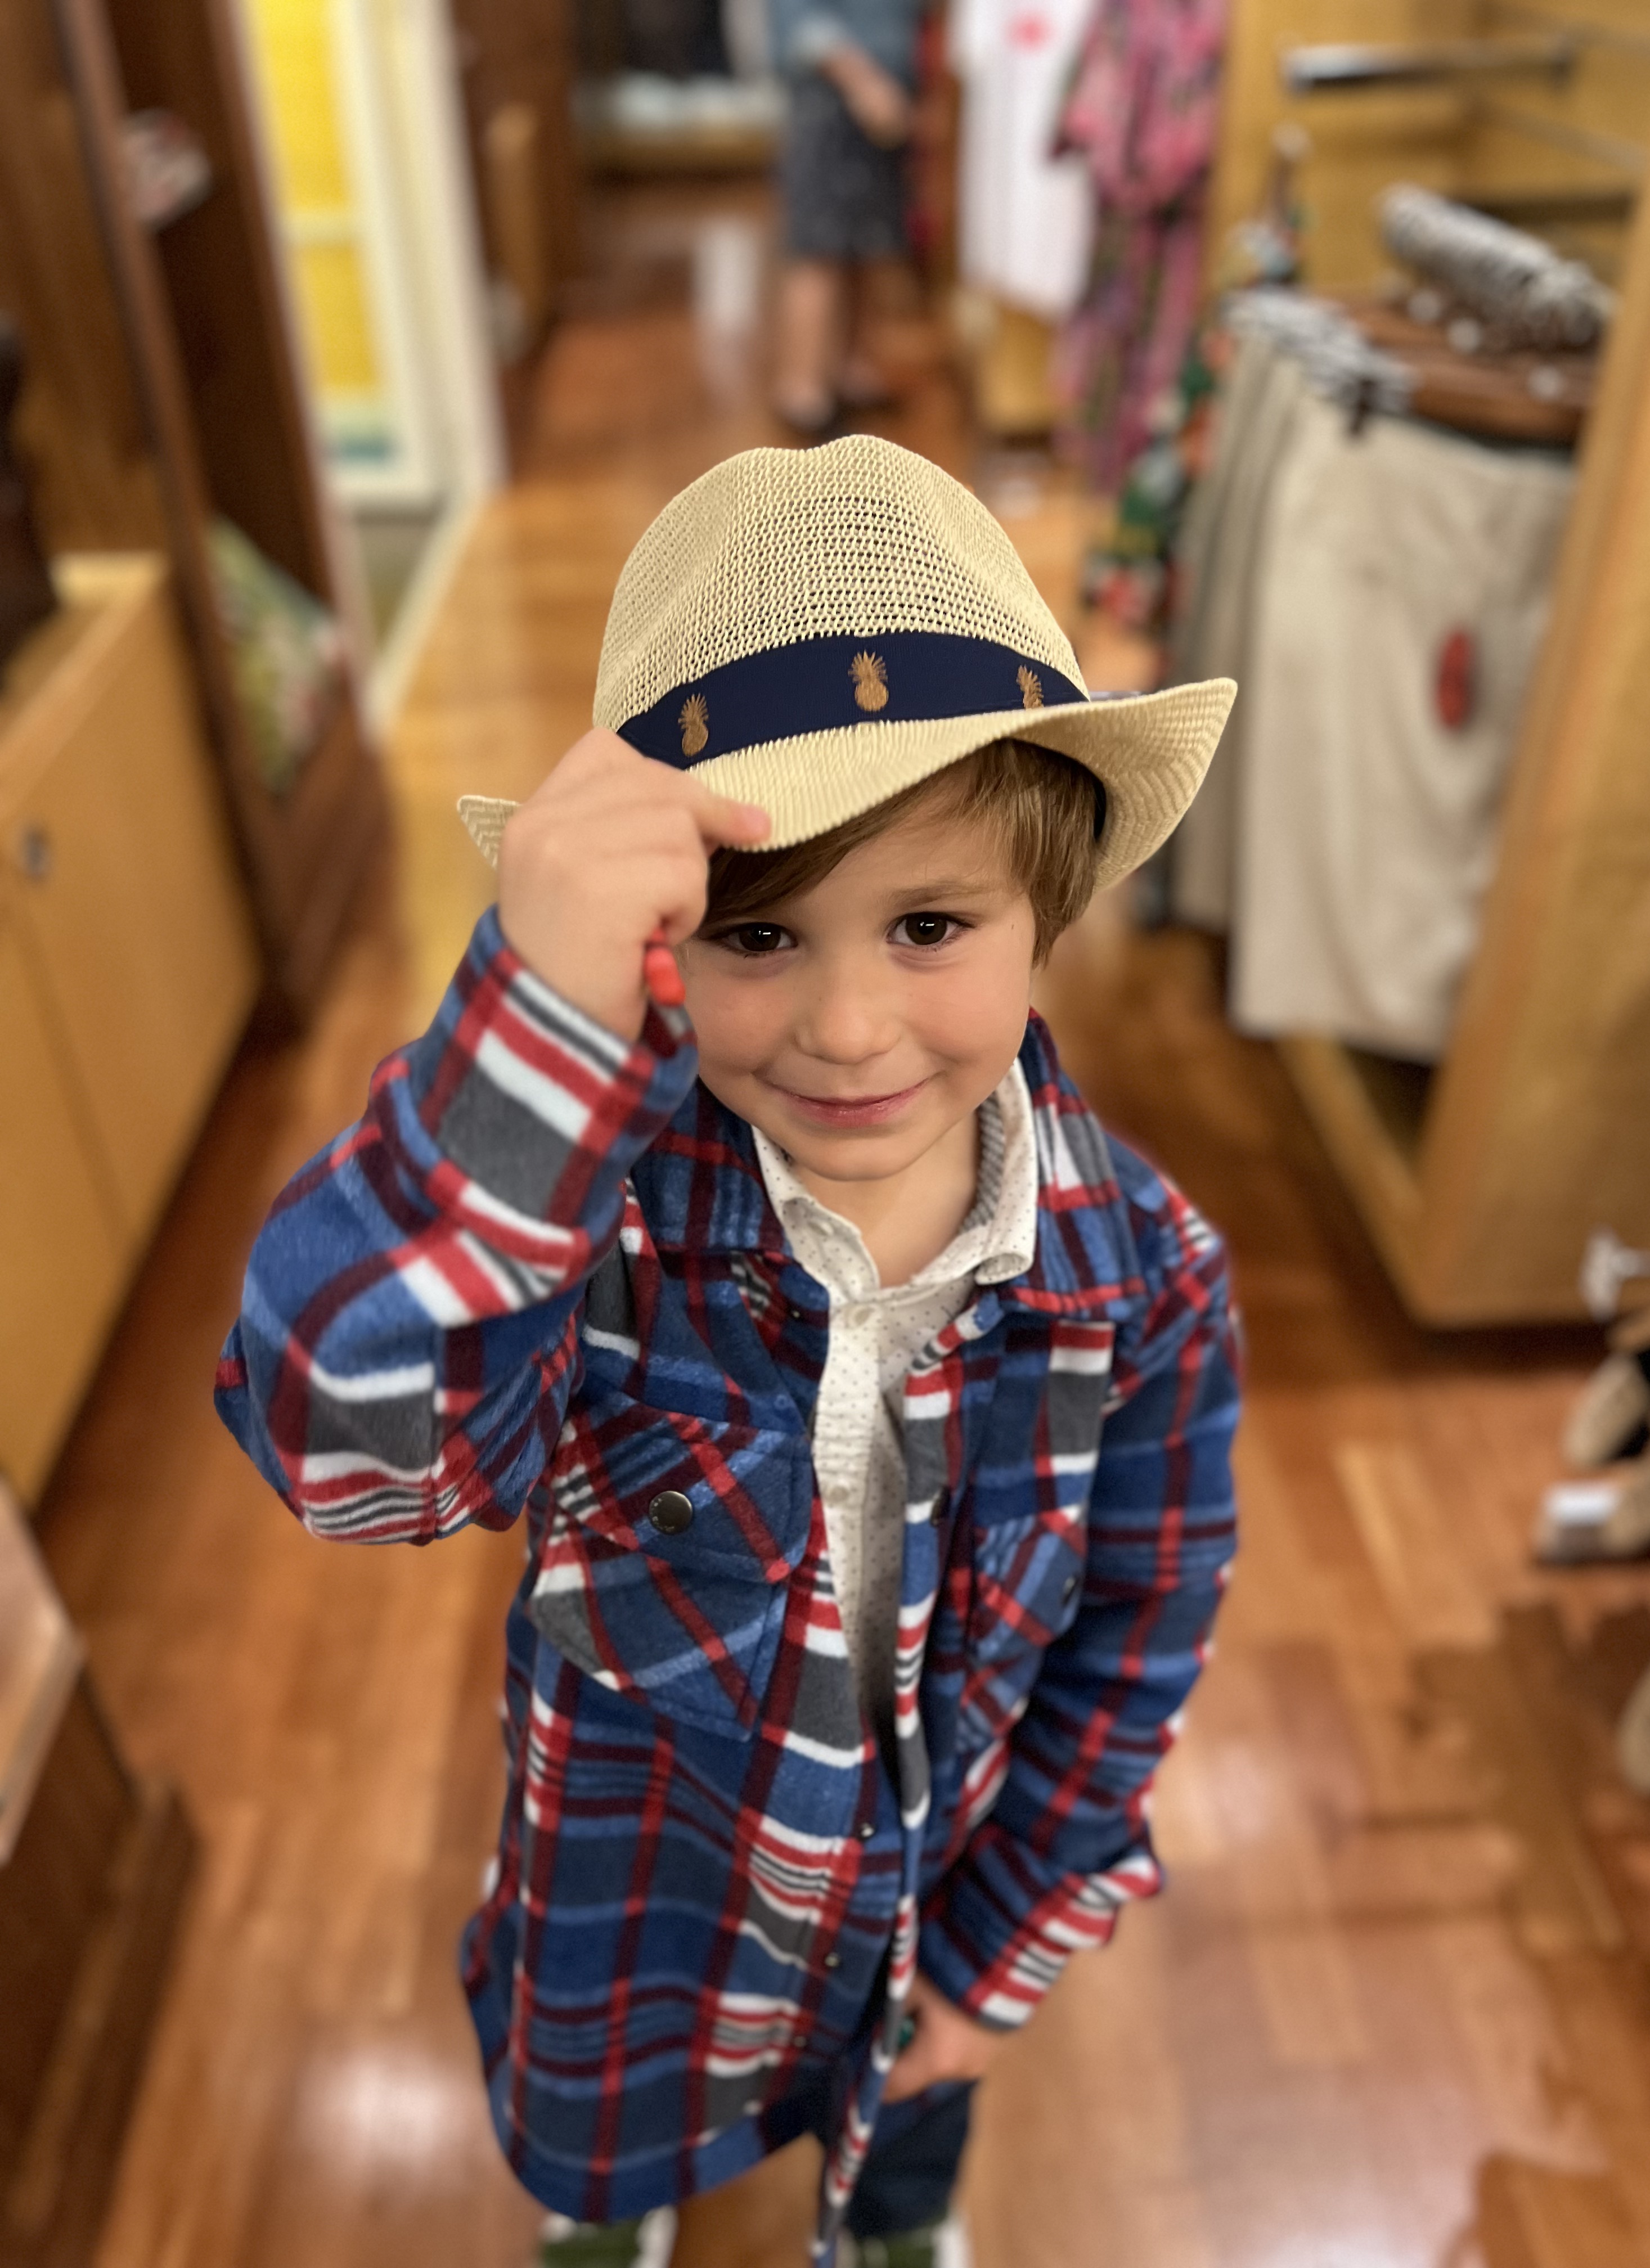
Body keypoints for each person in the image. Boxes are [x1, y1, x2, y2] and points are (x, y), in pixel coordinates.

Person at [215, 436, 1240, 2266]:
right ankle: (608, 2223)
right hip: (642, 1897)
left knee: (909, 2117)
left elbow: (1132, 1643)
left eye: (930, 925)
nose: (849, 1026)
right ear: (661, 944)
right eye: (758, 936)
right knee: (600, 2145)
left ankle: (901, 2213)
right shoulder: (591, 1223)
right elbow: (349, 1453)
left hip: (933, 1896)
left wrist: (1000, 1964)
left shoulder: (1147, 1278)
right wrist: (523, 1039)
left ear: (1045, 907)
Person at [767, 0, 921, 431]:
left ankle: (852, 371)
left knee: (864, 246)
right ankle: (801, 391)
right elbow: (801, 22)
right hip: (831, 103)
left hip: (879, 105)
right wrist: (865, 83)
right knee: (818, 251)